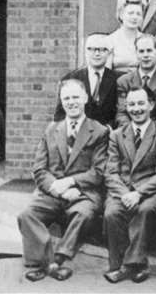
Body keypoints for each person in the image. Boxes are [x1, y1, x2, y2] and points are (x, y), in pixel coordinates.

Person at [20, 78, 110, 282]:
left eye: (75, 97)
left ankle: (56, 259)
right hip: (53, 192)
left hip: (83, 193)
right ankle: (49, 263)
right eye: (66, 98)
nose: (71, 102)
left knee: (82, 214)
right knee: (27, 215)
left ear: (85, 98)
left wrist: (70, 183)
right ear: (61, 101)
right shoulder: (51, 129)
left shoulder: (99, 131)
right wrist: (57, 188)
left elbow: (98, 171)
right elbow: (39, 169)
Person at [103, 87, 156, 284]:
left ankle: (131, 265)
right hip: (122, 190)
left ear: (151, 105)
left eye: (141, 103)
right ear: (126, 107)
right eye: (132, 104)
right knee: (112, 213)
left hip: (151, 191)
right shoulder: (117, 135)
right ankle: (119, 265)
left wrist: (139, 193)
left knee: (145, 210)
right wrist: (125, 193)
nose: (136, 109)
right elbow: (110, 172)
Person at [61, 33, 121, 126]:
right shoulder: (71, 78)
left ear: (109, 53)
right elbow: (60, 114)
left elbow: (120, 112)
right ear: (85, 52)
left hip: (108, 134)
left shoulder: (117, 79)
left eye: (102, 49)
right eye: (91, 49)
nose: (97, 53)